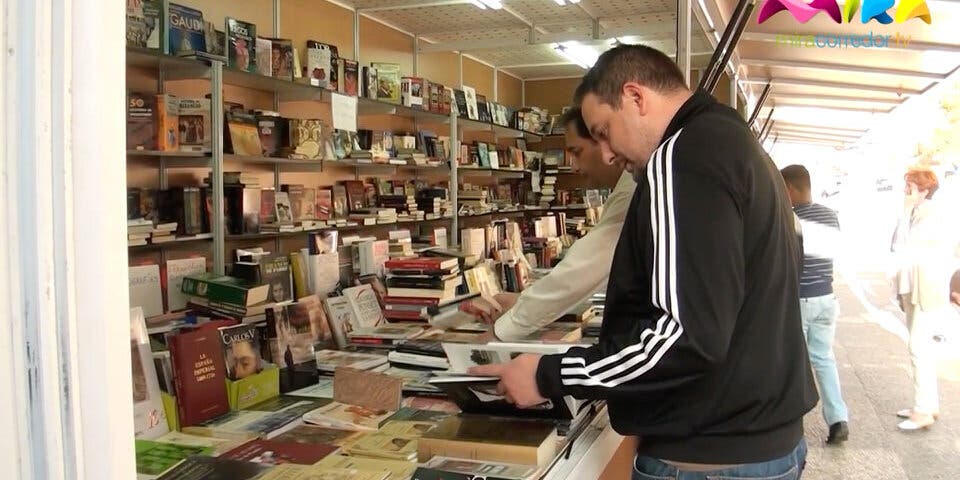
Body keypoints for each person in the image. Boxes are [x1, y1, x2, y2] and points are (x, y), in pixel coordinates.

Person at [470, 44, 817, 479]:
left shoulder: (680, 157)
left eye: (603, 131)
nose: (608, 153)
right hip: (761, 440)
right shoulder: (735, 144)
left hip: (708, 457)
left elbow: (683, 336)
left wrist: (549, 375)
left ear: (636, 97)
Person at [463, 106, 636, 340]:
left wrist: (499, 333)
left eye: (577, 152)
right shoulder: (630, 185)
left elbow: (581, 273)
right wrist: (521, 304)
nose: (574, 166)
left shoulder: (632, 190)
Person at [781, 164, 850, 444]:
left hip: (802, 297)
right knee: (823, 358)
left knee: (789, 358)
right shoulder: (830, 215)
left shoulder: (792, 218)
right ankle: (838, 419)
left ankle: (787, 421)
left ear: (789, 189)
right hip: (826, 296)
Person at [891, 167, 960, 431]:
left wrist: (906, 209)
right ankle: (928, 405)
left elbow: (906, 246)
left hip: (925, 288)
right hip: (917, 287)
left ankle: (923, 411)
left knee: (919, 348)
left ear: (924, 189)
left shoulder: (930, 214)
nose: (905, 192)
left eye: (909, 187)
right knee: (921, 348)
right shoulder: (922, 212)